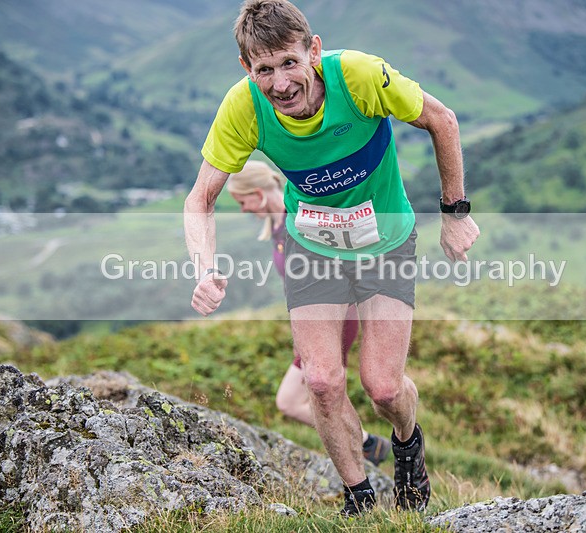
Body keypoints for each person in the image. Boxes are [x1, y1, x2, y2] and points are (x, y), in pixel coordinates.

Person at [184, 0, 480, 517]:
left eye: (289, 63)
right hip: (313, 249)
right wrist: (204, 267)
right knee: (320, 381)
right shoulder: (244, 106)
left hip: (385, 242)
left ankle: (408, 442)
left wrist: (455, 212)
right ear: (247, 70)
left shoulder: (360, 76)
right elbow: (200, 199)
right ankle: (359, 499)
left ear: (313, 51)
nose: (279, 84)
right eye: (264, 70)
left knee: (384, 387)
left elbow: (442, 119)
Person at [226, 160, 391, 466]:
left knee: (309, 397)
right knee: (305, 399)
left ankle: (362, 453)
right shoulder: (276, 225)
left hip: (334, 318)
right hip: (314, 322)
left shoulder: (296, 217)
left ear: (257, 192)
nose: (243, 210)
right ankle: (367, 447)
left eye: (242, 201)